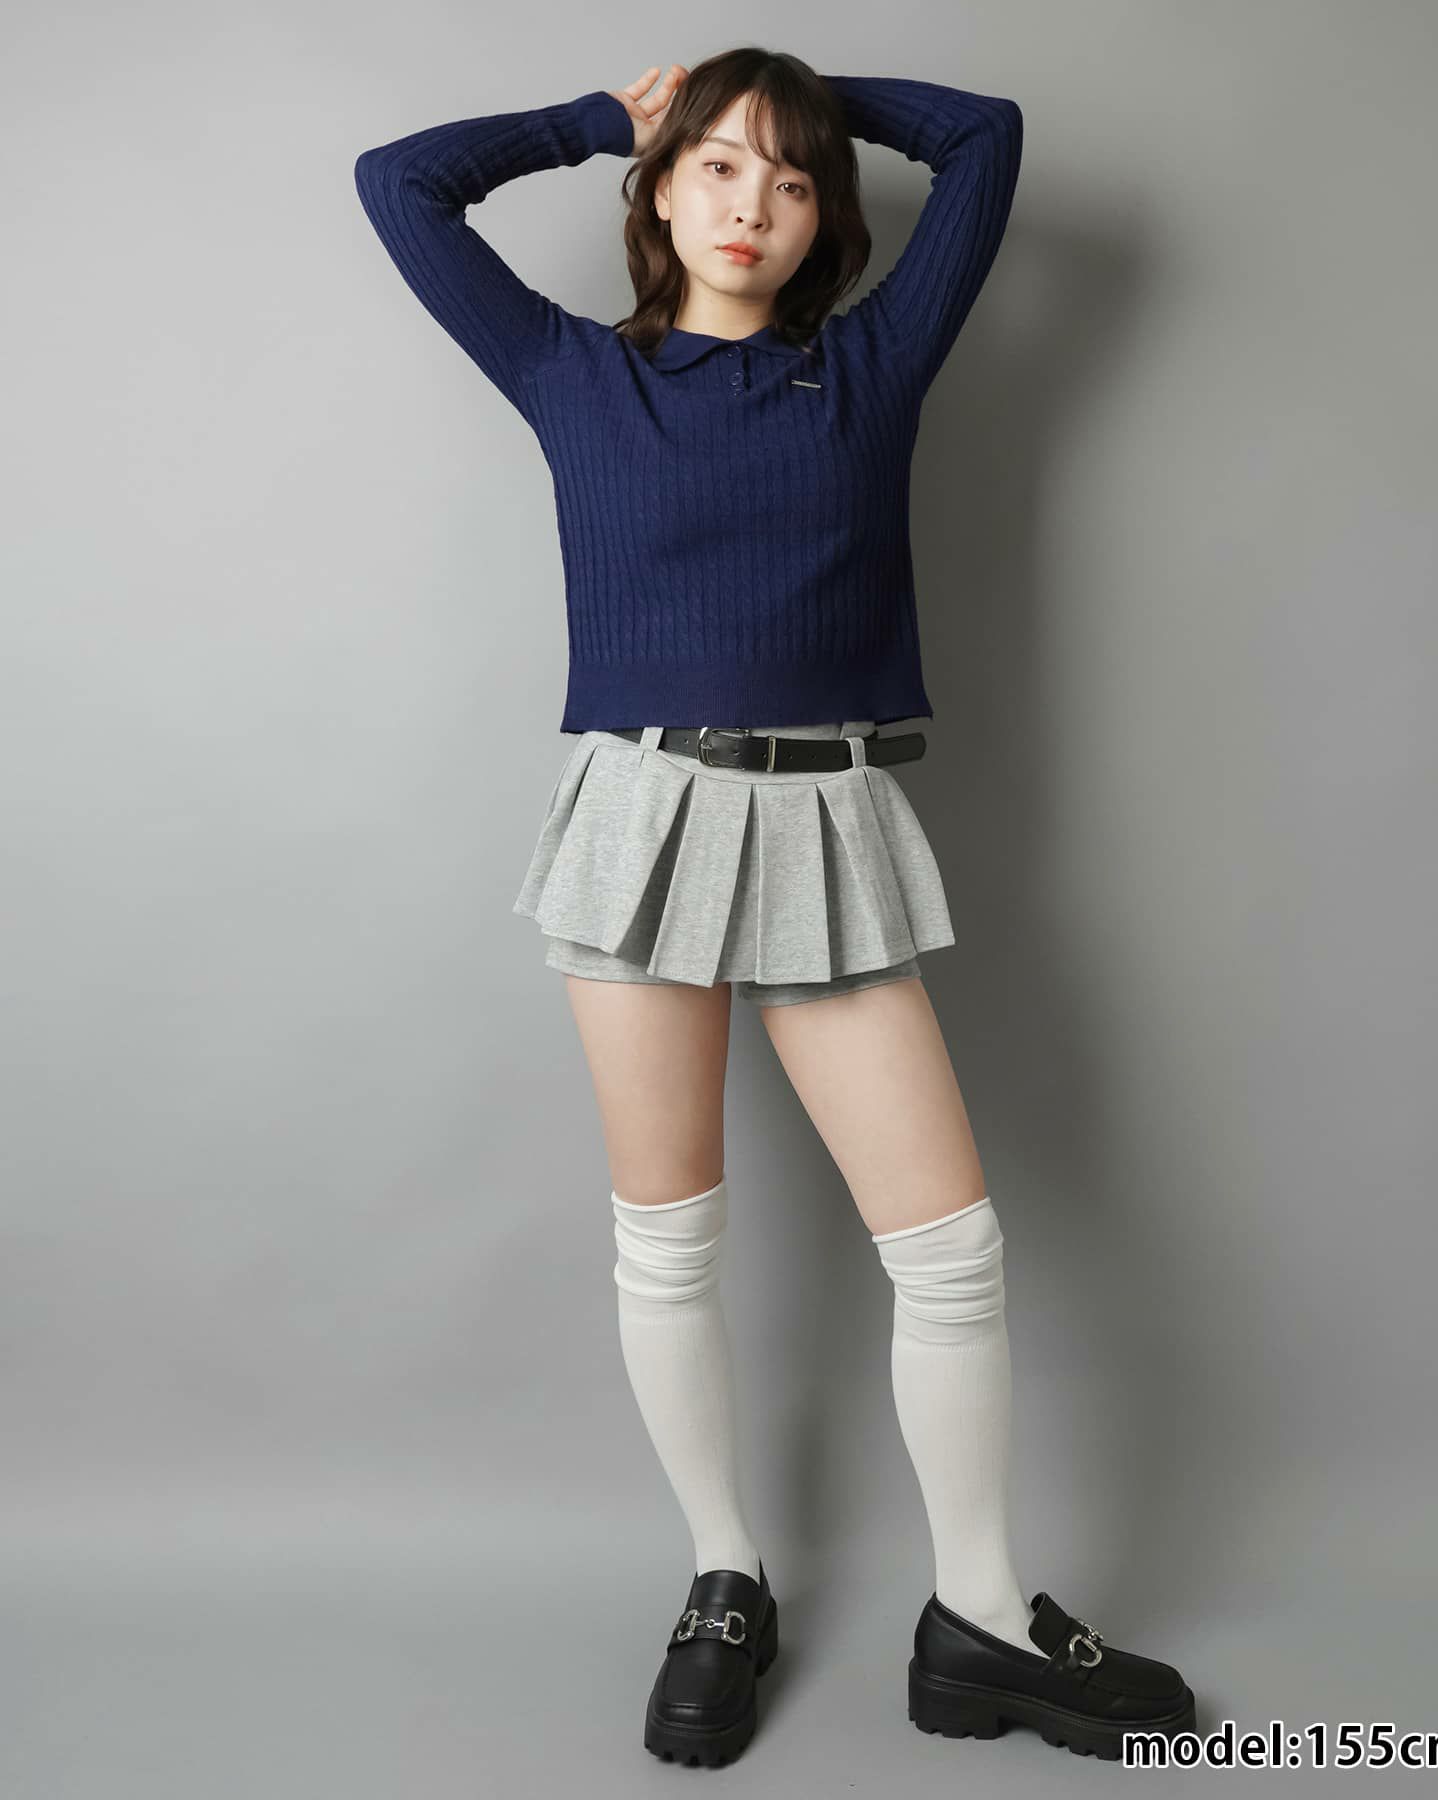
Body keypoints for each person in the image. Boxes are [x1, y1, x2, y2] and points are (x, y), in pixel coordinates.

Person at [354, 47, 1195, 1765]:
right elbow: (401, 184)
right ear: (662, 193)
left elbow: (985, 137)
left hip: (827, 815)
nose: (754, 203)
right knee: (669, 1238)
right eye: (722, 165)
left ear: (826, 225)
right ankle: (725, 1574)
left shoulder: (871, 367)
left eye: (795, 180)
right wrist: (611, 115)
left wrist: (795, 92)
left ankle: (978, 1615)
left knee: (947, 1250)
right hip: (638, 815)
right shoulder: (575, 372)